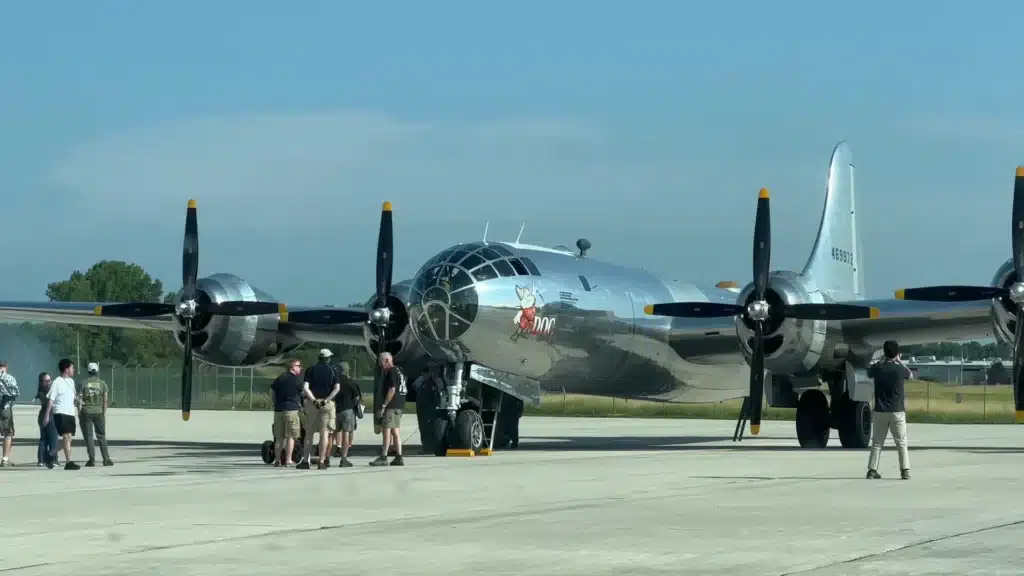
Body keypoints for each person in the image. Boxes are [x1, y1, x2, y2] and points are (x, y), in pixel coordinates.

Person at [866, 340, 913, 480]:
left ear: (884, 352)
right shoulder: (900, 369)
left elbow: (868, 371)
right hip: (897, 410)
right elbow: (911, 375)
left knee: (877, 442)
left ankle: (872, 470)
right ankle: (904, 470)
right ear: (897, 354)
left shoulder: (878, 368)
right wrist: (900, 362)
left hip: (880, 410)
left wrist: (881, 360)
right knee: (901, 442)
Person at [300, 349, 340, 470]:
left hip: (313, 403)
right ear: (328, 358)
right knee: (325, 433)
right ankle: (321, 461)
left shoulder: (310, 369)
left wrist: (313, 400)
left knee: (309, 434)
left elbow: (305, 387)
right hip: (327, 404)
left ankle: (305, 461)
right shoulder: (333, 371)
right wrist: (326, 400)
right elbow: (337, 388)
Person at [370, 352, 406, 467]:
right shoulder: (400, 371)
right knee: (395, 432)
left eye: (381, 362)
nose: (381, 365)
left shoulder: (391, 371)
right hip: (399, 405)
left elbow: (392, 389)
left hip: (391, 405)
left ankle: (384, 457)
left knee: (386, 431)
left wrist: (384, 405)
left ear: (386, 360)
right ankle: (399, 456)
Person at [45, 358, 80, 470]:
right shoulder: (56, 382)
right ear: (66, 369)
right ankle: (68, 462)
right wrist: (46, 416)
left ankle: (51, 453)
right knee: (66, 436)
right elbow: (50, 400)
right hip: (60, 413)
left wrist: (79, 400)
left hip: (70, 413)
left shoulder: (71, 381)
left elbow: (73, 396)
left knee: (69, 438)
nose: (73, 370)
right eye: (72, 368)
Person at [78, 362, 113, 467]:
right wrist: (103, 412)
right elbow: (105, 400)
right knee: (101, 436)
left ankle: (92, 460)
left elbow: (79, 399)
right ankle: (106, 459)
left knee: (89, 437)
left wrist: (79, 412)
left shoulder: (83, 383)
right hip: (99, 412)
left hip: (86, 411)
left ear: (88, 371)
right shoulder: (102, 384)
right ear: (97, 371)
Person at [270, 358, 304, 467]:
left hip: (279, 410)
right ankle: (288, 460)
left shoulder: (280, 378)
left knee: (279, 437)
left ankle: (277, 461)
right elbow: (303, 393)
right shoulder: (297, 380)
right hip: (291, 410)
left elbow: (271, 391)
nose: (300, 368)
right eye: (299, 366)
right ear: (293, 367)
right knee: (290, 437)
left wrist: (275, 402)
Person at [332, 361, 361, 467]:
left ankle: (326, 457)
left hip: (335, 410)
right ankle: (343, 458)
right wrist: (351, 405)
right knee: (346, 434)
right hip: (347, 411)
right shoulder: (351, 382)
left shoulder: (334, 382)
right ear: (347, 370)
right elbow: (357, 397)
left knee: (332, 434)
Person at [413, 365, 442, 455]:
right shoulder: (422, 382)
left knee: (431, 429)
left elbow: (441, 387)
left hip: (431, 409)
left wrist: (435, 378)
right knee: (423, 429)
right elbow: (414, 385)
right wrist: (422, 377)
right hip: (421, 409)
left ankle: (433, 447)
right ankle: (425, 447)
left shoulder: (435, 381)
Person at [36, 372, 60, 469]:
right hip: (49, 416)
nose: (48, 383)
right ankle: (53, 459)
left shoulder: (41, 391)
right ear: (41, 382)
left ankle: (42, 460)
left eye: (49, 380)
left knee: (44, 439)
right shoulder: (47, 392)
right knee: (53, 439)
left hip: (43, 415)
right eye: (45, 381)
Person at [0, 361, 19, 467]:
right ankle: (5, 459)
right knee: (8, 434)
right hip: (5, 408)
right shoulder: (9, 378)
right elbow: (16, 392)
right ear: (5, 367)